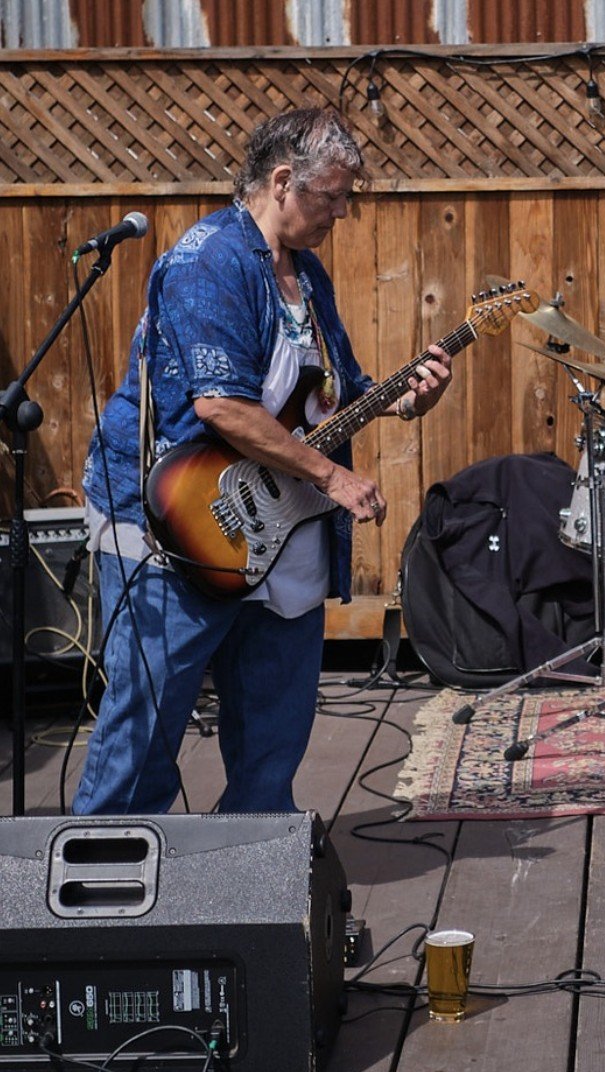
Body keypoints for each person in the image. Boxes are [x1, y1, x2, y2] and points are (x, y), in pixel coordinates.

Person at [75, 106, 451, 813]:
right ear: (282, 181)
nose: (342, 213)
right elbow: (221, 406)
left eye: (347, 198)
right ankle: (101, 892)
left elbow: (337, 397)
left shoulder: (308, 277)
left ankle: (244, 885)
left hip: (278, 527)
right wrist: (334, 475)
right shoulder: (206, 261)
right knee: (142, 741)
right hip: (176, 524)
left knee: (273, 744)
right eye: (331, 196)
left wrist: (408, 400)